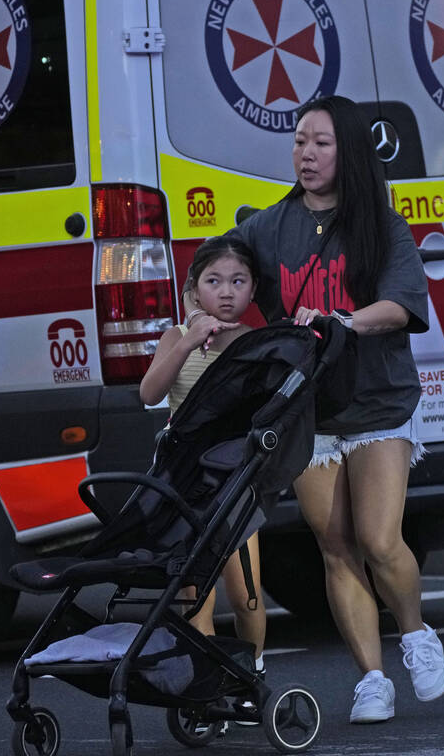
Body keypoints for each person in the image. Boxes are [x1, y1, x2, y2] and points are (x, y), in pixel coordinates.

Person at [213, 94, 444, 724]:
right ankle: (371, 678)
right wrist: (210, 308)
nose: (306, 153)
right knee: (335, 542)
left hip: (377, 401)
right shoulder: (270, 225)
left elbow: (400, 306)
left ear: (348, 151)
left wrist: (344, 321)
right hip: (310, 411)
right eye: (298, 141)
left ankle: (416, 634)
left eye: (320, 143)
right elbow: (222, 264)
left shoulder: (380, 223)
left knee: (377, 537)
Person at [139, 235, 267, 689]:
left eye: (238, 281)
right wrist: (189, 338)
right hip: (184, 481)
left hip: (234, 481)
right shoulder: (177, 336)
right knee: (194, 596)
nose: (227, 292)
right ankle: (206, 682)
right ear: (196, 288)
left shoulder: (255, 342)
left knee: (246, 592)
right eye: (214, 281)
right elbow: (149, 394)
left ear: (253, 289)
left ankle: (253, 673)